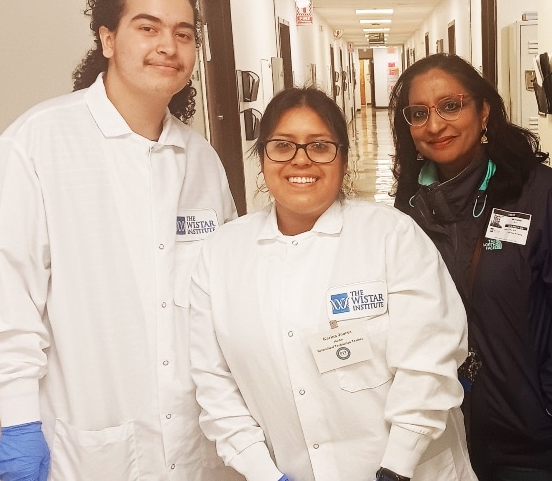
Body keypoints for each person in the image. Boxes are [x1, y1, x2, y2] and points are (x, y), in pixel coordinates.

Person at [0, 0, 240, 480]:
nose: (168, 47)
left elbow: (220, 295)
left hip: (194, 442)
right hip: (87, 443)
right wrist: (19, 423)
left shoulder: (201, 160)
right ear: (107, 38)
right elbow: (2, 296)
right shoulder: (38, 144)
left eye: (183, 33)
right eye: (147, 27)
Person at [189, 87, 477, 481]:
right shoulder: (221, 252)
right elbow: (213, 380)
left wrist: (397, 467)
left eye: (320, 146)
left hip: (410, 470)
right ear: (262, 157)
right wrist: (262, 472)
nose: (301, 160)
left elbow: (430, 358)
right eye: (283, 146)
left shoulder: (391, 235)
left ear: (343, 158)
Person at [389, 53, 552, 481]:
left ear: (484, 110)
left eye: (451, 106)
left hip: (529, 434)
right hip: (442, 428)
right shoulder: (408, 211)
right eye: (419, 113)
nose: (436, 125)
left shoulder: (542, 196)